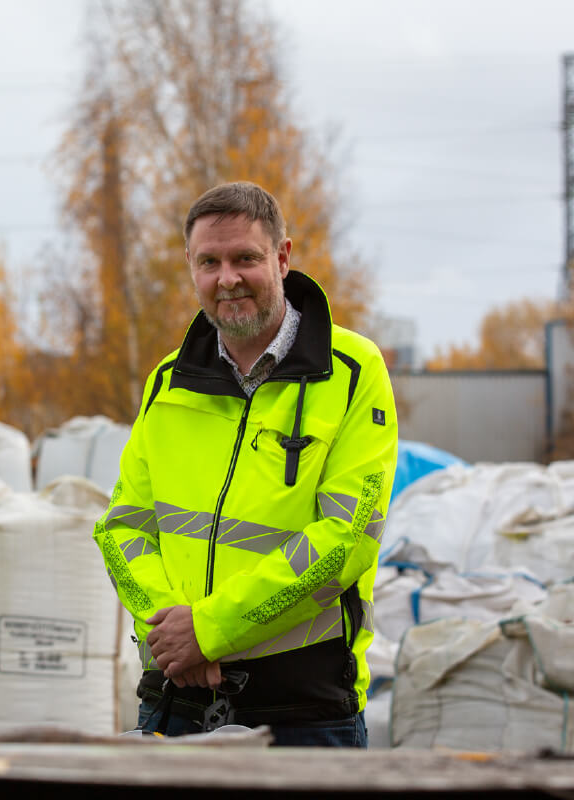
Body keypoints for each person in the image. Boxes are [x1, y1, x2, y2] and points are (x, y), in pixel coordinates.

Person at [93, 182, 397, 746]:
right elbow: (122, 528)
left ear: (282, 257)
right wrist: (174, 641)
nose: (226, 278)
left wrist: (209, 632)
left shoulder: (353, 372)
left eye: (245, 258)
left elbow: (346, 538)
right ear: (190, 266)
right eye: (208, 261)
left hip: (303, 714)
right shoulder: (168, 382)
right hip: (176, 702)